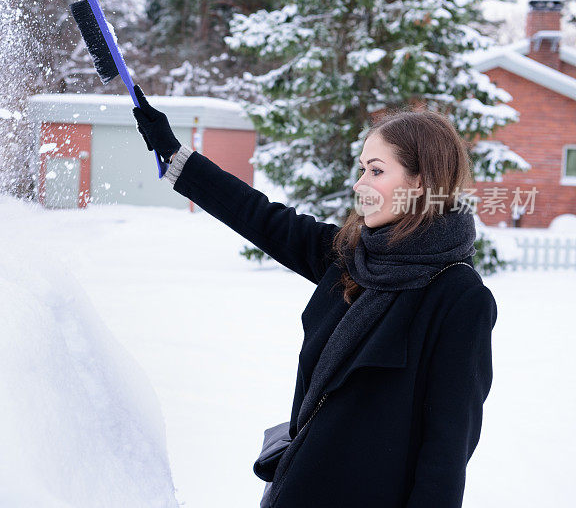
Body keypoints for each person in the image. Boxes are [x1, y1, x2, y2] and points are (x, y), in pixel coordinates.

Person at [131, 85, 498, 508]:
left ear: (419, 182)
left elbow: (447, 452)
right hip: (298, 487)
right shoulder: (351, 257)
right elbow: (262, 217)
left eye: (376, 171)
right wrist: (175, 155)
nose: (360, 185)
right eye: (361, 170)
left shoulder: (458, 296)